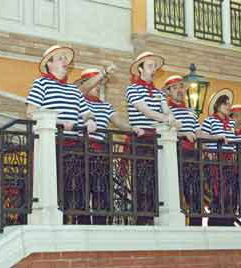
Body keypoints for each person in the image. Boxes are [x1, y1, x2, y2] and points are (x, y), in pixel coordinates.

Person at [25, 45, 97, 224]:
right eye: (60, 58)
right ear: (49, 65)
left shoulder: (74, 90)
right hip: (52, 143)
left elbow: (86, 112)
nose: (65, 62)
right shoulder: (41, 83)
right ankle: (59, 220)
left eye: (66, 59)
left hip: (76, 144)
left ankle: (81, 221)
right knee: (57, 185)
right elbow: (30, 112)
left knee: (80, 184)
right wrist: (59, 124)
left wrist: (90, 120)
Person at [74, 67, 145, 224]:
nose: (99, 87)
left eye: (101, 84)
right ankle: (83, 223)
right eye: (97, 83)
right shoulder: (76, 100)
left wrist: (133, 129)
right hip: (80, 151)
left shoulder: (106, 106)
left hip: (101, 153)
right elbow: (80, 91)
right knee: (82, 189)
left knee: (101, 190)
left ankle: (100, 223)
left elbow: (118, 122)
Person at [162, 75, 224, 226]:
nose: (180, 91)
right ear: (168, 92)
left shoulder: (191, 112)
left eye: (181, 87)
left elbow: (199, 133)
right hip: (174, 154)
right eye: (175, 88)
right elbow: (163, 131)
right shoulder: (165, 111)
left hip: (193, 155)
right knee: (176, 193)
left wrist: (216, 137)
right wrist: (183, 134)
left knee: (196, 193)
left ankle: (195, 227)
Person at [125, 52, 179, 225]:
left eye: (155, 66)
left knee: (158, 179)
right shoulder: (132, 88)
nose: (153, 69)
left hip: (159, 141)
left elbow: (166, 110)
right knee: (142, 180)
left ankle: (155, 215)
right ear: (140, 69)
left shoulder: (158, 92)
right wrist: (167, 119)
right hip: (141, 140)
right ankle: (142, 218)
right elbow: (145, 111)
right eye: (150, 66)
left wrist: (172, 119)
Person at [201, 91, 235, 226]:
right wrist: (208, 152)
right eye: (225, 104)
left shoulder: (231, 123)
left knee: (228, 190)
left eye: (229, 104)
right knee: (216, 190)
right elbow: (203, 138)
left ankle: (227, 218)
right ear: (218, 105)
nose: (228, 107)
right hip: (215, 159)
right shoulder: (210, 120)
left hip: (229, 159)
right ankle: (215, 220)